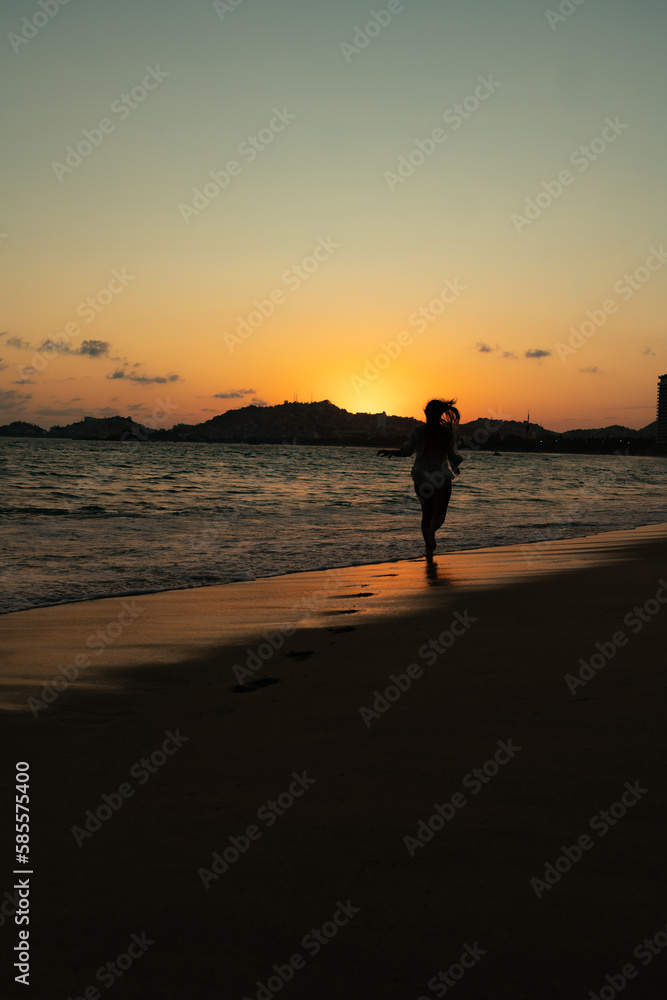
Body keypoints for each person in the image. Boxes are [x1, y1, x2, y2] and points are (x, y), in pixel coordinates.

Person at [377, 398, 463, 556]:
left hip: (421, 477)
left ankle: (428, 549)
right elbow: (451, 456)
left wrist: (391, 452)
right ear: (441, 414)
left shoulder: (418, 432)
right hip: (441, 477)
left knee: (426, 514)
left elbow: (407, 452)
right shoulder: (446, 432)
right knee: (440, 514)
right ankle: (432, 531)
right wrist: (456, 467)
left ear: (425, 413)